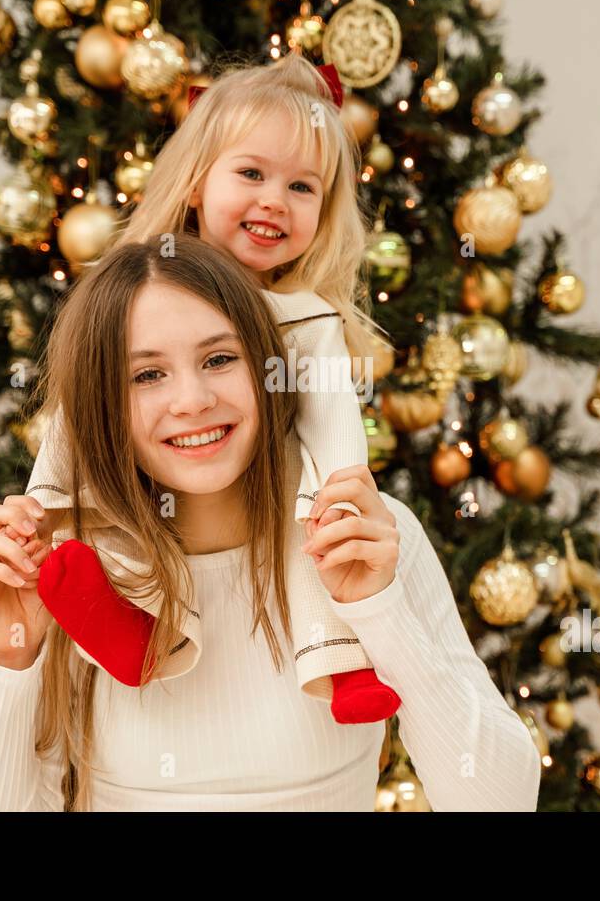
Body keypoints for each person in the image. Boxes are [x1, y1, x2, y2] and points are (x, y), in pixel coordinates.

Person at [0, 235, 541, 811]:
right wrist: (11, 656)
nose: (191, 399)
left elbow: (500, 799)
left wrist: (380, 610)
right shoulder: (69, 572)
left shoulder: (365, 537)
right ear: (101, 402)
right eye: (147, 374)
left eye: (219, 358)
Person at [25, 50, 397, 721]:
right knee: (119, 511)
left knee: (309, 547)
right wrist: (43, 502)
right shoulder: (140, 288)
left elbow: (335, 414)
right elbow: (76, 410)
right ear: (196, 183)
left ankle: (341, 659)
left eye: (302, 188)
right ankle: (135, 624)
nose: (272, 202)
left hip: (276, 492)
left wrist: (343, 490)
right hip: (152, 478)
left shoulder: (305, 316)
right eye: (251, 173)